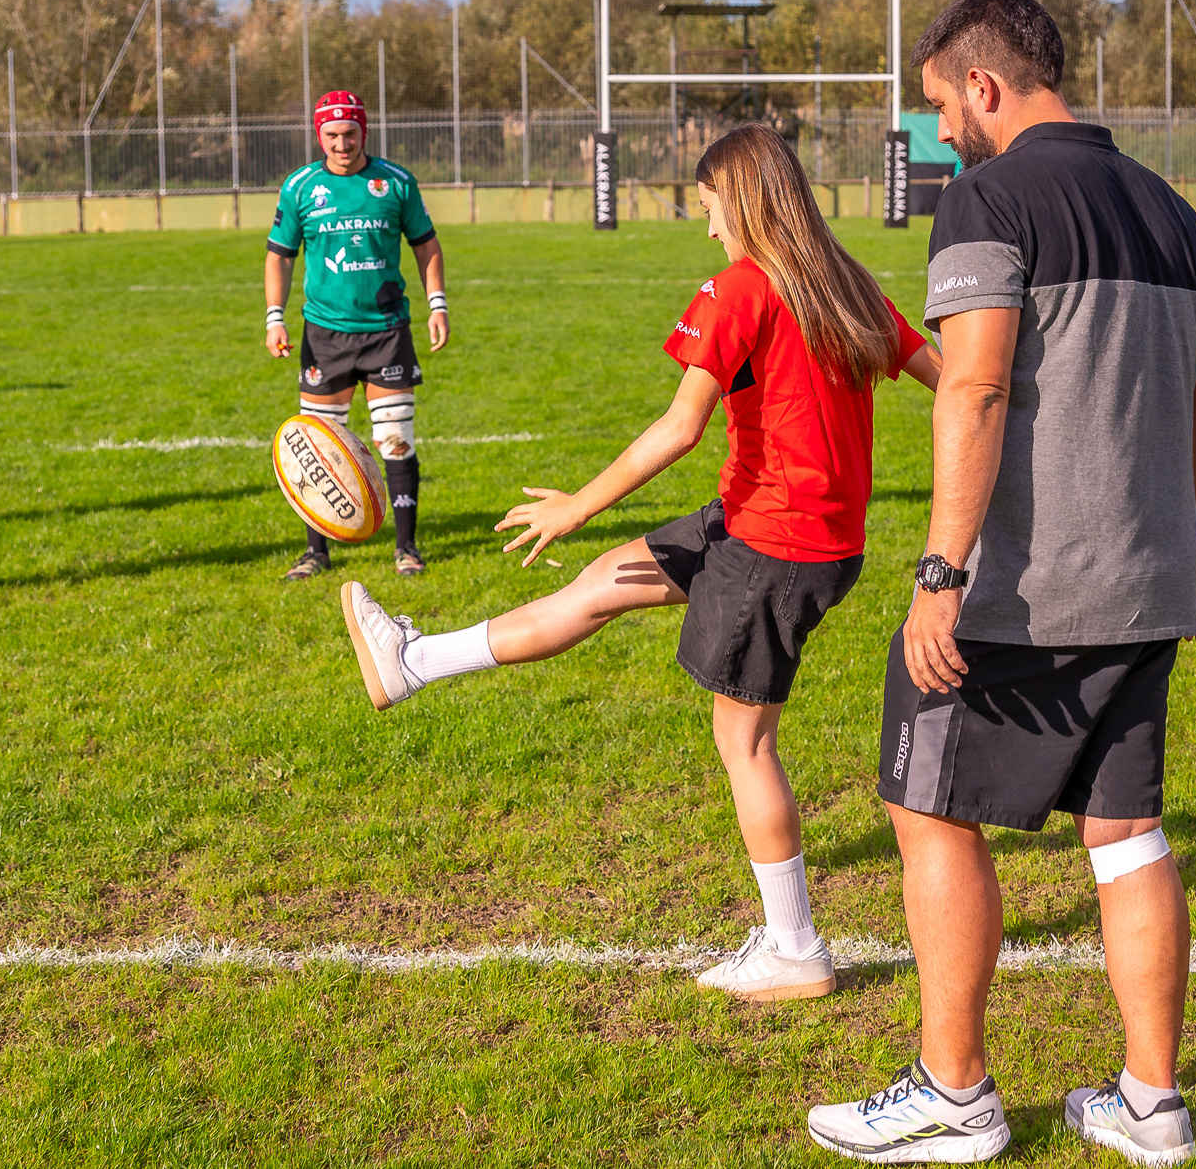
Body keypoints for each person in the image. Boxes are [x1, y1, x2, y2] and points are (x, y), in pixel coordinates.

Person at [340, 124, 941, 1001]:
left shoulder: (744, 287)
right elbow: (953, 377)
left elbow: (679, 426)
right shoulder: (845, 280)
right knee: (603, 582)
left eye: (710, 210)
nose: (708, 231)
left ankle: (795, 947)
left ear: (744, 202)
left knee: (745, 744)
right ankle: (413, 662)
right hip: (785, 530)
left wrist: (574, 505)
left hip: (776, 545)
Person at [806, 0, 1196, 1165]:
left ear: (985, 86)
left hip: (1026, 591)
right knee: (1129, 834)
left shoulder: (989, 198)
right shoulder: (1172, 210)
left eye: (943, 104)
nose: (943, 130)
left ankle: (956, 1096)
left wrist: (941, 567)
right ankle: (1154, 1107)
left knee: (927, 809)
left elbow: (976, 384)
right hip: (1152, 574)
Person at [265, 90, 448, 579]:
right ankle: (316, 552)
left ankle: (406, 548)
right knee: (317, 445)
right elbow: (279, 255)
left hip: (387, 331)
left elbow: (426, 245)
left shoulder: (395, 183)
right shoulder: (300, 187)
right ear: (318, 135)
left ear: (363, 131)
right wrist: (274, 317)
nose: (342, 144)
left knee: (395, 440)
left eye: (350, 134)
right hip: (324, 334)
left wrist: (437, 304)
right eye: (332, 135)